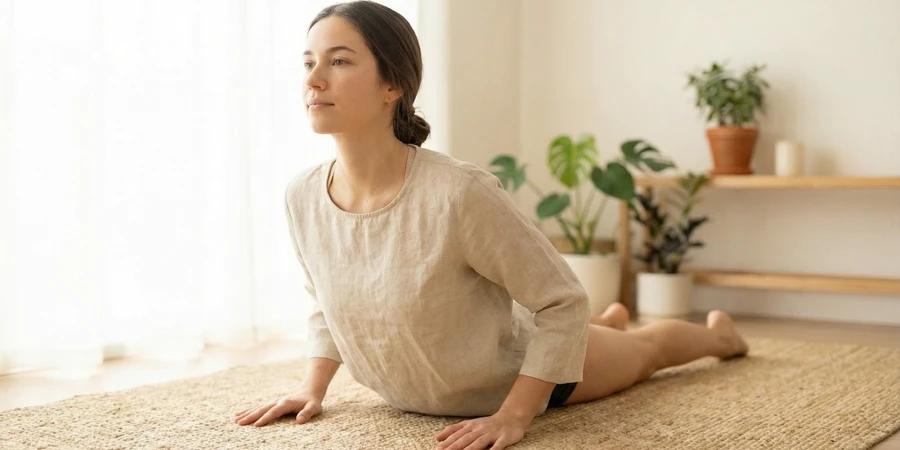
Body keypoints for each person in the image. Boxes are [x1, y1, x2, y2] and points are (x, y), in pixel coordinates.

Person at [232, 2, 749, 449]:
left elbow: (563, 302)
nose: (313, 79)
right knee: (594, 335)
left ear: (393, 83)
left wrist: (515, 413)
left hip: (516, 375)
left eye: (339, 61)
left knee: (647, 351)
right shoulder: (302, 196)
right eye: (308, 62)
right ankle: (607, 329)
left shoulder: (458, 192)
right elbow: (327, 303)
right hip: (428, 381)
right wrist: (312, 388)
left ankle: (718, 339)